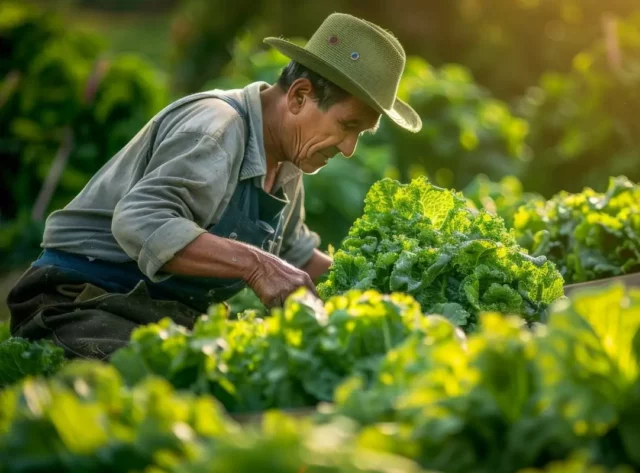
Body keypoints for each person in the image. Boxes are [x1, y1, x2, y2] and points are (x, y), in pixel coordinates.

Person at [6, 12, 422, 359]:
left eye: (360, 135)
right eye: (347, 126)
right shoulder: (217, 127)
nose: (349, 149)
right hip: (77, 302)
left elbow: (295, 257)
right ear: (299, 96)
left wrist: (384, 290)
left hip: (157, 316)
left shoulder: (288, 161)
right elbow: (139, 221)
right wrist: (256, 264)